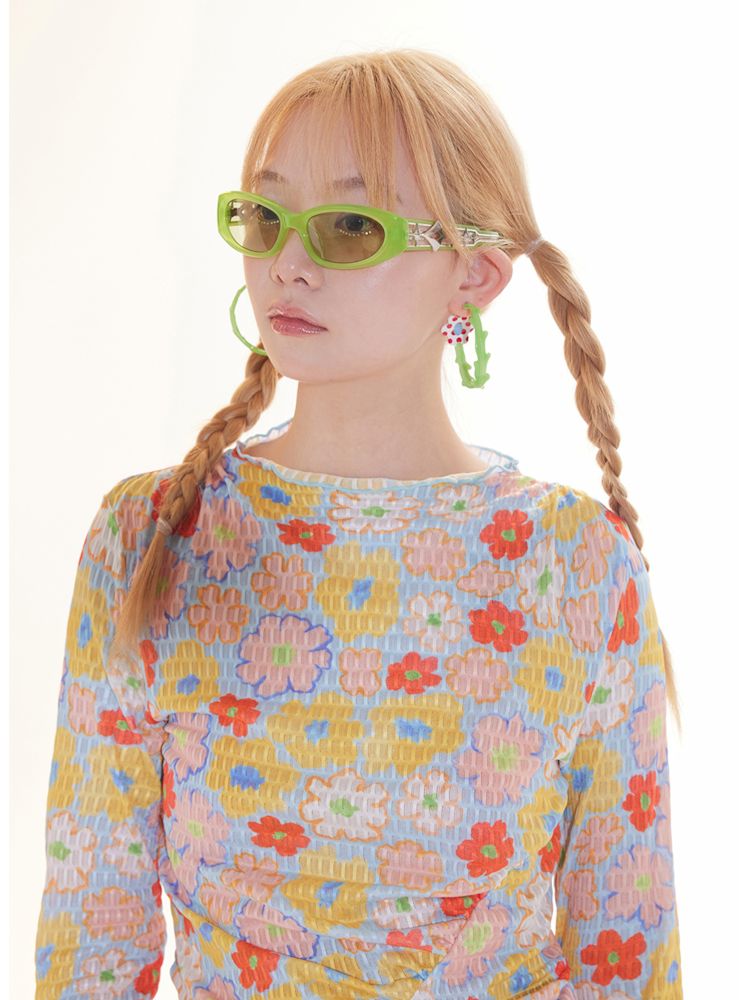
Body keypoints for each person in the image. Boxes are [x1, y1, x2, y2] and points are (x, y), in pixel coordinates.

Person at [33, 48, 683, 999]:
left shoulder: (580, 563)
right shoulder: (150, 536)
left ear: (475, 275)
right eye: (265, 217)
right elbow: (91, 943)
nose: (288, 264)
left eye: (348, 227)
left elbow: (629, 951)